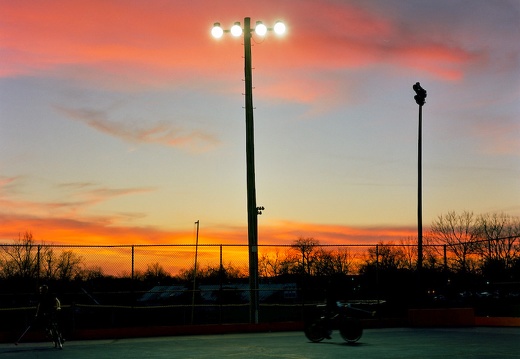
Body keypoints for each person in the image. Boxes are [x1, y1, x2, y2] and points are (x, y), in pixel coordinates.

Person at [35, 284, 63, 349]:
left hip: (52, 312)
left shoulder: (51, 295)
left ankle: (60, 339)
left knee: (56, 325)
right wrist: (37, 314)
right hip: (44, 313)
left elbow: (57, 301)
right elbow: (39, 306)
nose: (40, 291)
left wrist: (58, 307)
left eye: (42, 290)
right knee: (47, 329)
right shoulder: (40, 297)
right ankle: (52, 338)